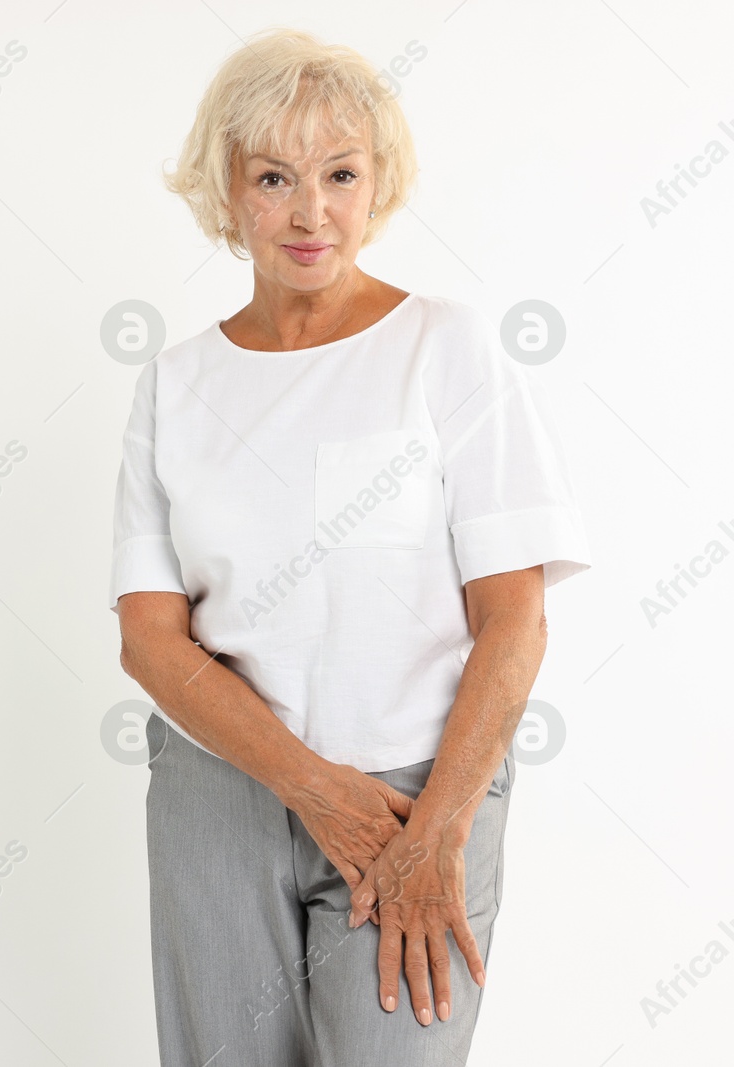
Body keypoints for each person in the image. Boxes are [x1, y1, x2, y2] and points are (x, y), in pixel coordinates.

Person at [109, 26, 591, 1066]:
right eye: (273, 176)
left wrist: (438, 829)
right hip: (219, 793)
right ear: (226, 188)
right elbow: (149, 638)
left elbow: (513, 619)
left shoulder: (445, 345)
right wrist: (306, 785)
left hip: (417, 794)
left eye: (339, 173)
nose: (308, 209)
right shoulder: (176, 384)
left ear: (377, 182)